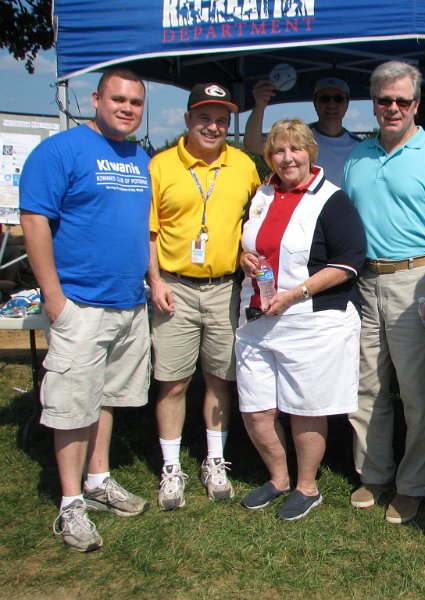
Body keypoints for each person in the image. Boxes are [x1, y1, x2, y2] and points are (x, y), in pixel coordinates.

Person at [20, 69, 152, 552]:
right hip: (80, 302)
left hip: (128, 303)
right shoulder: (60, 151)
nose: (127, 108)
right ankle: (71, 502)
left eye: (135, 102)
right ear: (96, 99)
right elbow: (34, 220)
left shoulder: (139, 157)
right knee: (73, 404)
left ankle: (98, 480)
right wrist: (53, 295)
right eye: (118, 99)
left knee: (105, 398)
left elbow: (141, 228)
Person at [344, 60, 425, 524]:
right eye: (384, 100)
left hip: (416, 283)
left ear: (416, 105)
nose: (392, 107)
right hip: (364, 283)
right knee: (367, 387)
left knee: (418, 392)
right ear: (374, 104)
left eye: (402, 100)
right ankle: (373, 473)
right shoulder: (358, 156)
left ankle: (414, 484)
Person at [235, 119, 366, 521]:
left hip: (310, 320)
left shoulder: (332, 199)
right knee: (256, 408)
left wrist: (294, 295)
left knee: (305, 408)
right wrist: (243, 258)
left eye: (295, 149)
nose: (287, 158)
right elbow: (248, 242)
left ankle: (307, 487)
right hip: (256, 318)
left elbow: (348, 262)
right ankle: (278, 479)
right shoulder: (261, 194)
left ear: (311, 152)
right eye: (278, 150)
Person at [148, 83, 261, 510]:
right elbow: (150, 232)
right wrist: (155, 280)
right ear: (187, 119)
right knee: (173, 382)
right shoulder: (161, 165)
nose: (213, 127)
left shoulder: (243, 165)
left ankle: (215, 461)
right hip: (174, 287)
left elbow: (256, 219)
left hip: (224, 288)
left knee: (219, 378)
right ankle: (171, 467)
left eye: (221, 120)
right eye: (204, 118)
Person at [244, 76, 360, 186]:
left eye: (338, 99)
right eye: (324, 99)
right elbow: (253, 144)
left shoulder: (359, 146)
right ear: (315, 102)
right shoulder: (297, 136)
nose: (331, 104)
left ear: (347, 103)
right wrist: (259, 106)